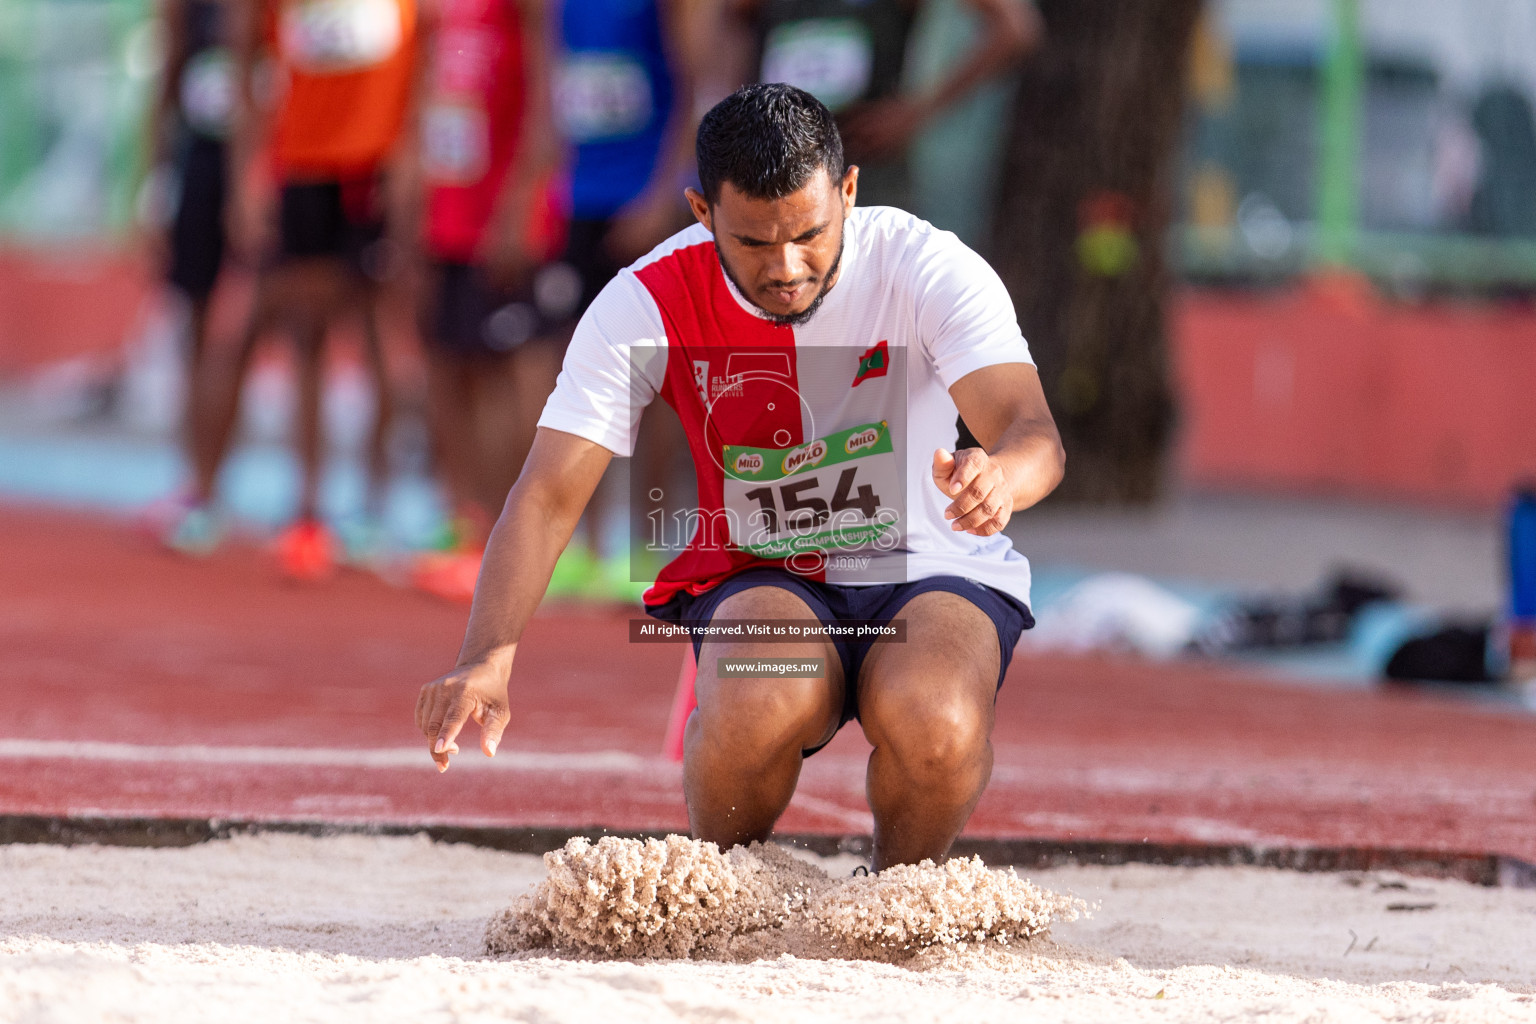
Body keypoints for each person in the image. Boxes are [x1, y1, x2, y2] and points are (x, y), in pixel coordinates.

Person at [415, 84, 1064, 870]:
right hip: (764, 573)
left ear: (849, 191)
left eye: (810, 235)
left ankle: (895, 895)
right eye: (754, 243)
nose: (787, 268)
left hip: (933, 571)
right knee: (757, 696)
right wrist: (490, 651)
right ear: (701, 212)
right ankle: (726, 888)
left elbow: (1033, 434)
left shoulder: (928, 265)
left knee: (938, 719)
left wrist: (1000, 477)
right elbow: (550, 491)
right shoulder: (645, 300)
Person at [175, 0, 422, 576]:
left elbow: (427, 54)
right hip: (299, 162)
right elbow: (243, 63)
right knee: (296, 329)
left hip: (373, 165)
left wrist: (409, 157)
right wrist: (244, 178)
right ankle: (303, 508)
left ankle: (370, 513)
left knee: (380, 334)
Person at [411, 0, 563, 600]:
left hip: (501, 211)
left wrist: (521, 201)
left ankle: (516, 542)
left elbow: (547, 102)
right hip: (447, 205)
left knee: (512, 373)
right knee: (449, 364)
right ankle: (467, 525)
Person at [732, 0, 1041, 210]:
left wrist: (916, 113)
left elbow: (1015, 30)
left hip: (866, 179)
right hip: (769, 179)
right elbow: (724, 24)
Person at [145, 0, 234, 553]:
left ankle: (311, 506)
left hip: (279, 164)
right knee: (194, 328)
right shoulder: (188, 10)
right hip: (201, 160)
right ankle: (199, 489)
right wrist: (156, 179)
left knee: (260, 329)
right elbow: (170, 75)